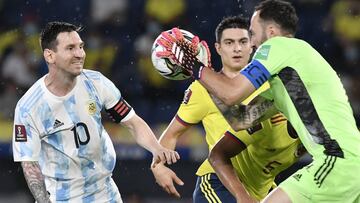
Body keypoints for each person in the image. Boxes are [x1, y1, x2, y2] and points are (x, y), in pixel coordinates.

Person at [156, 0, 360, 202]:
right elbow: (240, 119)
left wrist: (195, 66)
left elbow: (232, 93)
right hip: (350, 165)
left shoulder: (279, 46)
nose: (251, 43)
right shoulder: (287, 81)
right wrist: (208, 79)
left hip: (335, 161)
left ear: (271, 32)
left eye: (252, 33)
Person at [12, 21, 179, 203]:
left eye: (81, 47)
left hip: (106, 193)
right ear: (49, 55)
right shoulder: (29, 107)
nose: (80, 54)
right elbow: (29, 163)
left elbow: (132, 121)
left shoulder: (96, 83)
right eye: (70, 48)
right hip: (63, 198)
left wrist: (156, 149)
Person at [151, 16, 301, 203]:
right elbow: (172, 134)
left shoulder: (270, 86)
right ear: (218, 48)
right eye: (229, 42)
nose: (237, 48)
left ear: (253, 46)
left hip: (261, 188)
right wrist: (159, 167)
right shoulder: (201, 89)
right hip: (218, 180)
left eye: (243, 42)